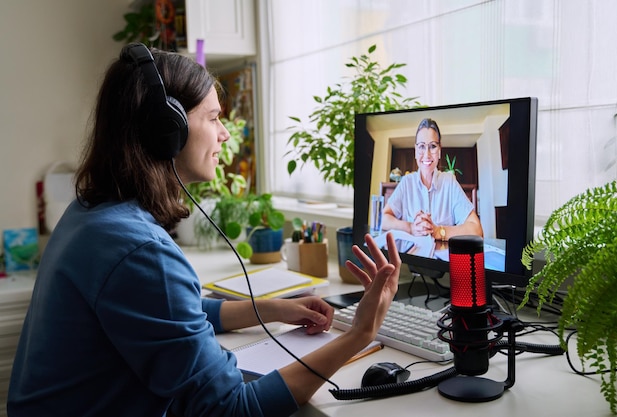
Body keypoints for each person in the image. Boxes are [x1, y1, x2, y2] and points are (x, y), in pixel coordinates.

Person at [7, 44, 401, 417]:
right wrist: (359, 334)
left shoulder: (95, 214)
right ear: (167, 131)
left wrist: (275, 308)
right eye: (213, 118)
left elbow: (177, 314)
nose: (225, 134)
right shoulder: (138, 250)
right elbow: (231, 409)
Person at [381, 118, 483, 246]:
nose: (427, 154)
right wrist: (411, 227)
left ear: (439, 151)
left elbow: (476, 229)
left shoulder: (449, 182)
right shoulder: (407, 182)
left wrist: (438, 231)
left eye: (433, 146)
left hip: (440, 262)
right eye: (422, 147)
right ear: (416, 152)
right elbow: (384, 219)